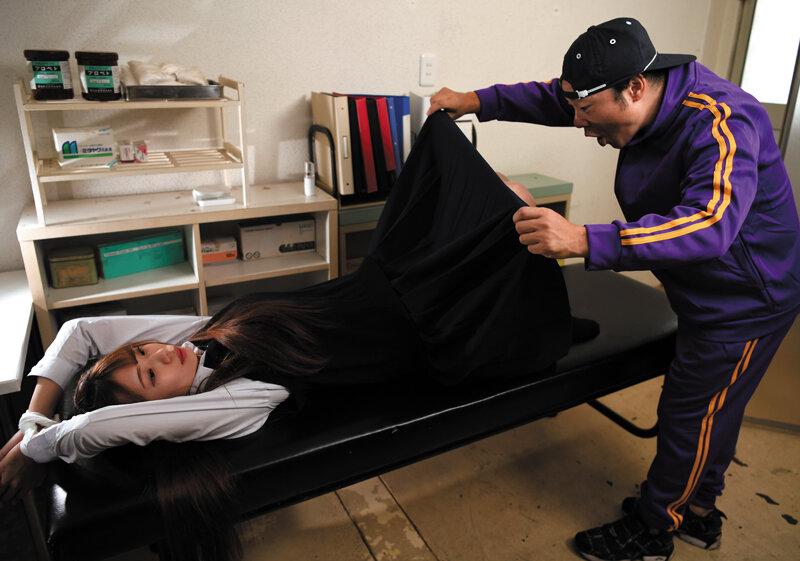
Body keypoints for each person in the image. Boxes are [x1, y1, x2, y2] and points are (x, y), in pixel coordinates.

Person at [0, 111, 594, 561]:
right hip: (429, 321)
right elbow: (99, 429)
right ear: (162, 413)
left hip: (392, 270)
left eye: (142, 352)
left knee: (445, 139)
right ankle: (543, 313)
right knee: (513, 216)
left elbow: (81, 331)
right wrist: (40, 446)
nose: (159, 352)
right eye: (151, 374)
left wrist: (33, 416)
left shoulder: (200, 339)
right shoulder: (242, 399)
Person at [429, 16, 800, 561]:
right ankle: (698, 512)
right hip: (706, 287)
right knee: (713, 408)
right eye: (576, 109)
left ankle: (656, 528)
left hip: (745, 299)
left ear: (635, 88)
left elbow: (710, 223)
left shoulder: (723, 121)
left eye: (587, 112)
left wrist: (583, 238)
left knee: (692, 412)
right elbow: (556, 98)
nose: (580, 125)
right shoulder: (629, 92)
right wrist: (476, 101)